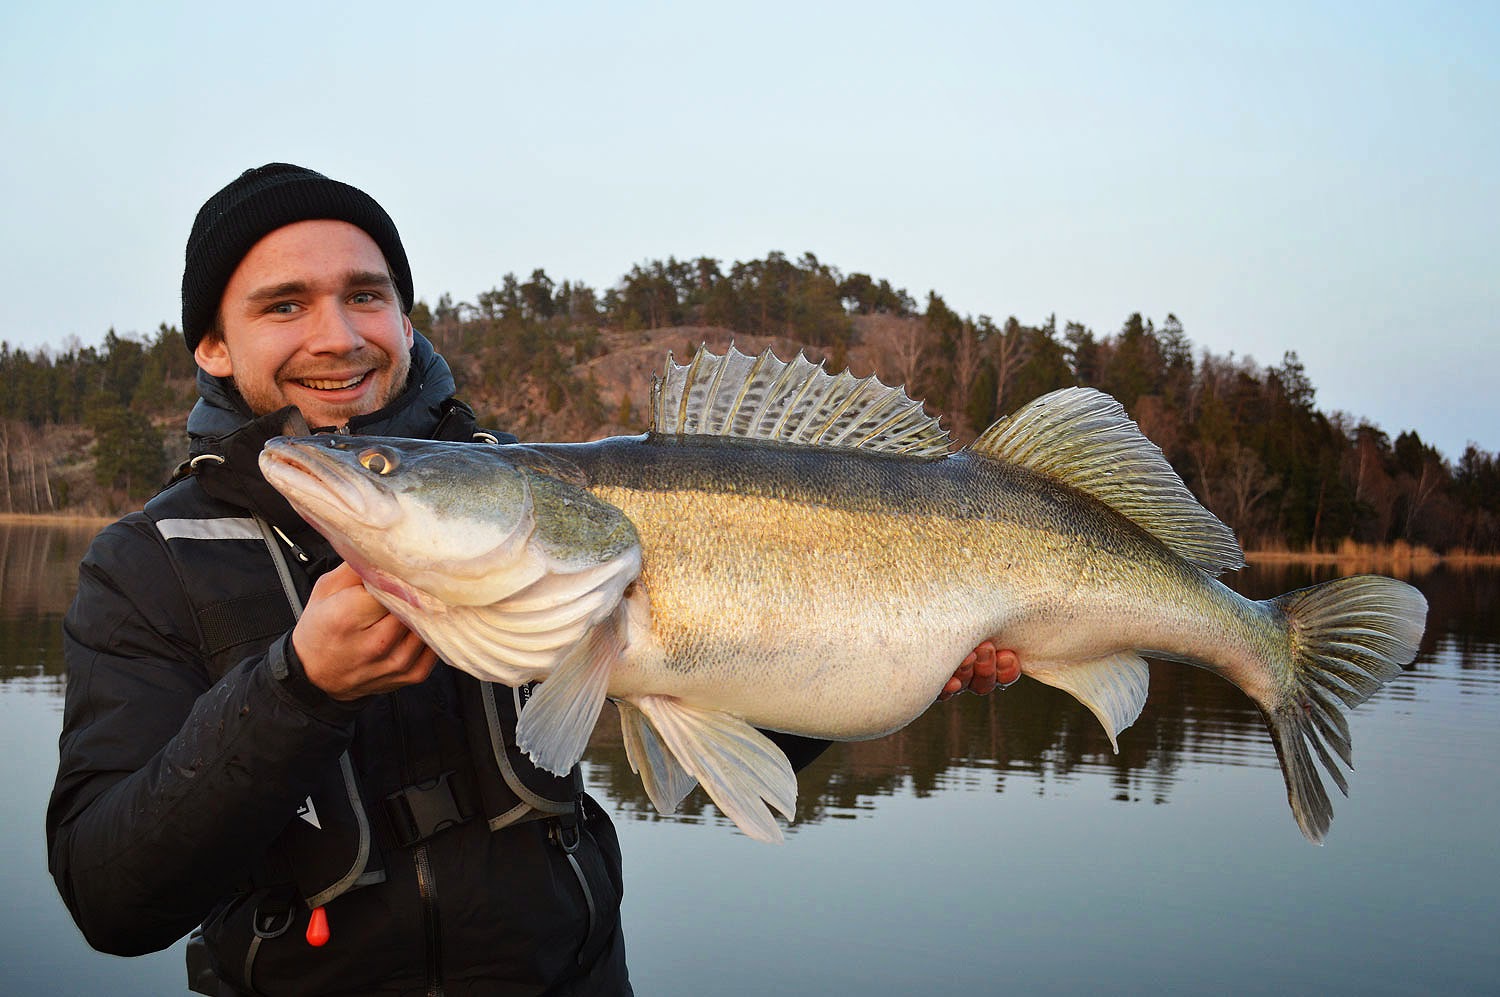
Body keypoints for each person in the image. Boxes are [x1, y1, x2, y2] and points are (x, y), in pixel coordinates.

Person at [46, 164, 1018, 996]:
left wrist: (896, 650)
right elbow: (112, 900)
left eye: (366, 295)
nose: (337, 334)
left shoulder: (531, 492)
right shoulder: (146, 563)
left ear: (403, 317)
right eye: (284, 305)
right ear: (212, 344)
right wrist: (299, 692)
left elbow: (719, 721)